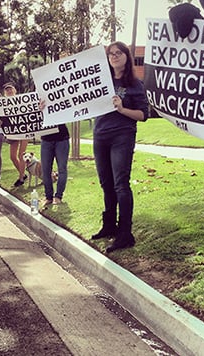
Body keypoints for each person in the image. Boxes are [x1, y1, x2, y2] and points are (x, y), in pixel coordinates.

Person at [91, 41, 149, 253]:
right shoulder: (99, 81)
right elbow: (75, 102)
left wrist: (122, 109)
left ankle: (125, 234)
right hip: (100, 135)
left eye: (118, 53)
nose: (114, 56)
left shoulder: (135, 84)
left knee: (120, 184)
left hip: (122, 136)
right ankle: (109, 225)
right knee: (106, 183)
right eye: (111, 54)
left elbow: (143, 115)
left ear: (127, 56)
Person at [2, 82, 29, 186]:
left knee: (21, 154)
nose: (9, 91)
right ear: (5, 93)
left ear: (15, 91)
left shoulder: (22, 101)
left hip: (24, 130)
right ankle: (23, 174)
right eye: (7, 90)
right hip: (13, 132)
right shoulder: (3, 105)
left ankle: (21, 178)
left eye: (11, 89)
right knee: (13, 156)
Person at [39, 121, 70, 208]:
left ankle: (58, 196)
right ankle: (48, 197)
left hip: (62, 138)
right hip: (46, 139)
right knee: (45, 170)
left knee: (62, 169)